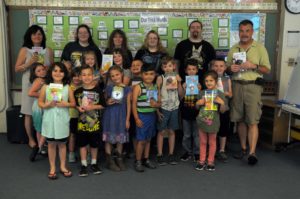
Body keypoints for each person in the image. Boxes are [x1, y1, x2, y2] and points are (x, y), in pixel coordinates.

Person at [227, 19, 271, 165]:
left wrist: (254, 65)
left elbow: (266, 69)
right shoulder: (234, 48)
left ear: (252, 32)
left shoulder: (259, 48)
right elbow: (227, 68)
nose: (244, 34)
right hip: (237, 85)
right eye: (241, 30)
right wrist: (230, 69)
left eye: (247, 30)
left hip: (253, 86)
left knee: (252, 120)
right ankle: (244, 148)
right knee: (239, 119)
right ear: (238, 32)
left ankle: (252, 152)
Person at [15, 25, 53, 152]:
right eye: (34, 34)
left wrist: (46, 70)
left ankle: (43, 139)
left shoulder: (48, 50)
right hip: (29, 84)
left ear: (43, 36)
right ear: (29, 37)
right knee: (28, 113)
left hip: (44, 83)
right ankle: (31, 139)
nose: (37, 36)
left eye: (40, 34)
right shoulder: (25, 50)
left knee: (43, 111)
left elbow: (52, 68)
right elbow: (17, 68)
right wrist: (29, 63)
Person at [38, 62, 75, 180]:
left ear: (65, 73)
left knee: (62, 144)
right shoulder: (46, 87)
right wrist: (46, 104)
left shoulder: (67, 87)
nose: (58, 73)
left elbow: (73, 104)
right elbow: (40, 103)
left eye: (61, 71)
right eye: (55, 70)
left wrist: (66, 104)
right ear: (51, 72)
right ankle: (52, 167)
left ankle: (63, 166)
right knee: (51, 144)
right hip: (49, 119)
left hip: (62, 120)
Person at [74, 66, 106, 177]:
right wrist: (78, 108)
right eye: (84, 74)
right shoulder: (77, 91)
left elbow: (103, 105)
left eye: (89, 74)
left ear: (93, 76)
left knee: (94, 144)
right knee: (82, 144)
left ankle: (94, 163)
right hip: (82, 124)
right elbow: (75, 105)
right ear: (79, 77)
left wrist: (93, 106)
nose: (86, 77)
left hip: (95, 123)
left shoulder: (98, 90)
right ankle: (83, 165)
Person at [132, 64, 161, 172]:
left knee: (148, 139)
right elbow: (134, 104)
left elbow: (159, 103)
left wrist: (156, 105)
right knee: (141, 140)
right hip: (142, 116)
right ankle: (138, 160)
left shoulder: (155, 86)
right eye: (146, 74)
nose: (149, 76)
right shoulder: (138, 87)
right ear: (141, 75)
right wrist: (136, 118)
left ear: (155, 75)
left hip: (151, 116)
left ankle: (146, 159)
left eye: (151, 74)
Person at [102, 65, 131, 171]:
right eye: (112, 76)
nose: (115, 77)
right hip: (109, 115)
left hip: (121, 116)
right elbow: (103, 103)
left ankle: (119, 159)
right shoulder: (108, 88)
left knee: (120, 139)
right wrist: (107, 102)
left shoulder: (127, 89)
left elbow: (129, 105)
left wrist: (127, 119)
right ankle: (109, 161)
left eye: (117, 74)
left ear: (122, 74)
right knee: (108, 139)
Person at [195, 71, 225, 171]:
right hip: (202, 121)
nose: (208, 83)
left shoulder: (220, 94)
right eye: (206, 81)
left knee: (212, 142)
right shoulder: (202, 93)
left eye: (211, 80)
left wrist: (222, 103)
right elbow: (196, 107)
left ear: (216, 81)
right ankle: (201, 161)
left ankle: (211, 161)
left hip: (214, 121)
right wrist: (198, 103)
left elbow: (223, 110)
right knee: (203, 141)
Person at [156, 56, 183, 165]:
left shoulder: (177, 78)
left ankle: (171, 154)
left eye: (170, 66)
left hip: (174, 107)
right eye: (165, 66)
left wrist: (180, 83)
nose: (167, 68)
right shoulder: (160, 78)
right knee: (162, 131)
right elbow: (157, 93)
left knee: (172, 131)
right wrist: (157, 110)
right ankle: (159, 154)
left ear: (174, 66)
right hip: (164, 107)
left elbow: (181, 95)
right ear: (162, 68)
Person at [210, 58, 232, 163]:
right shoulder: (209, 79)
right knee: (212, 129)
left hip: (224, 108)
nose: (218, 68)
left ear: (225, 68)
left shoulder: (227, 79)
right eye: (216, 66)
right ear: (212, 67)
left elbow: (231, 94)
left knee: (223, 129)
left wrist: (224, 93)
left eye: (221, 66)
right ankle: (212, 149)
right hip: (212, 108)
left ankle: (222, 149)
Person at [180, 58, 201, 162]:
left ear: (197, 70)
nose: (191, 71)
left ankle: (197, 153)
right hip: (186, 112)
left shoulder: (200, 84)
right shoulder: (183, 83)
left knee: (197, 134)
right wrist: (183, 89)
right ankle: (187, 151)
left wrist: (199, 90)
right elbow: (180, 98)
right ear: (186, 71)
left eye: (193, 69)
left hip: (197, 112)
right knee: (187, 134)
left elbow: (202, 99)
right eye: (189, 69)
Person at [28, 63, 47, 161]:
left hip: (43, 106)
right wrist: (41, 94)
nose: (42, 72)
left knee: (42, 127)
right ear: (34, 73)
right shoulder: (39, 80)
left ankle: (41, 147)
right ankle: (39, 147)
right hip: (39, 107)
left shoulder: (44, 80)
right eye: (38, 71)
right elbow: (30, 93)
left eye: (43, 69)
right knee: (40, 128)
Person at [68, 67, 81, 163]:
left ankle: (84, 154)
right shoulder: (68, 88)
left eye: (78, 76)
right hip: (72, 115)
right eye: (74, 76)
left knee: (82, 134)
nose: (76, 78)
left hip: (83, 115)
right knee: (72, 135)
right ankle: (71, 154)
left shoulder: (83, 87)